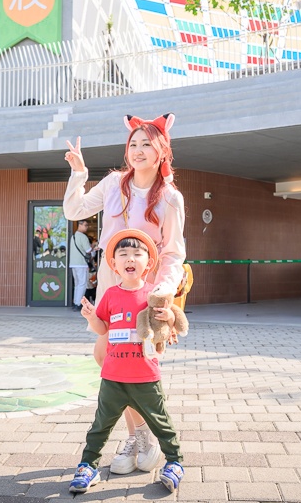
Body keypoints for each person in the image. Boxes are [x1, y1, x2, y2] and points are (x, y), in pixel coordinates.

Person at [63, 113, 186, 475]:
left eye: (147, 143)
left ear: (162, 150)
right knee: (106, 357)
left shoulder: (170, 198)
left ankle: (141, 440)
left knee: (132, 363)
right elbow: (74, 209)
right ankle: (142, 437)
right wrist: (79, 174)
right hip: (110, 283)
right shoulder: (114, 183)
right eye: (133, 144)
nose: (138, 150)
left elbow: (173, 253)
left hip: (146, 294)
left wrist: (160, 296)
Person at [69, 229, 184, 494]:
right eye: (123, 254)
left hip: (146, 376)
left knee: (161, 423)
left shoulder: (153, 295)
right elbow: (102, 329)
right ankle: (88, 465)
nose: (130, 258)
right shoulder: (109, 294)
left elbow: (168, 323)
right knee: (100, 425)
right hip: (113, 376)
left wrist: (167, 315)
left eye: (137, 253)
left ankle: (175, 463)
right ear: (114, 264)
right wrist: (90, 317)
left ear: (148, 263)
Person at [69, 221, 92, 310]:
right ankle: (79, 304)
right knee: (82, 284)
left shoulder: (73, 236)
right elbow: (88, 250)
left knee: (77, 284)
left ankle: (75, 302)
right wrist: (94, 247)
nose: (87, 227)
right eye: (85, 225)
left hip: (73, 264)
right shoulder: (83, 237)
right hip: (81, 264)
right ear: (80, 225)